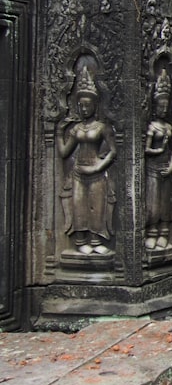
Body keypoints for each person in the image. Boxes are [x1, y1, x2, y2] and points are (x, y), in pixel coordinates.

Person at [57, 67, 116, 255]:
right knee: (79, 207)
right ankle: (81, 239)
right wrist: (59, 132)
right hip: (78, 173)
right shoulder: (76, 129)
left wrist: (100, 165)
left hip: (96, 173)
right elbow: (65, 152)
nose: (84, 109)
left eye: (87, 105)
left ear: (95, 105)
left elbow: (113, 151)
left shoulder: (102, 127)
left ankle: (95, 239)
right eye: (81, 105)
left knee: (97, 207)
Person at [144, 69, 172, 250]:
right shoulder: (152, 127)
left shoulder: (169, 128)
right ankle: (152, 232)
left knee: (166, 204)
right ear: (155, 106)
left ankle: (164, 232)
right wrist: (160, 149)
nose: (163, 110)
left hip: (166, 171)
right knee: (153, 204)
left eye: (166, 107)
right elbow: (146, 150)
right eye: (160, 106)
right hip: (153, 170)